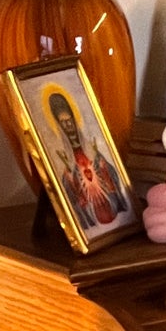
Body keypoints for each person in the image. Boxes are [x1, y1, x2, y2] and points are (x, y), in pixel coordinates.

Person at [43, 86, 128, 228]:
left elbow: (111, 171)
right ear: (59, 125)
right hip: (84, 193)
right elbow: (68, 186)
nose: (68, 125)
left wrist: (103, 167)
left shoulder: (90, 147)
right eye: (63, 122)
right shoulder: (63, 155)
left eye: (69, 120)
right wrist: (70, 179)